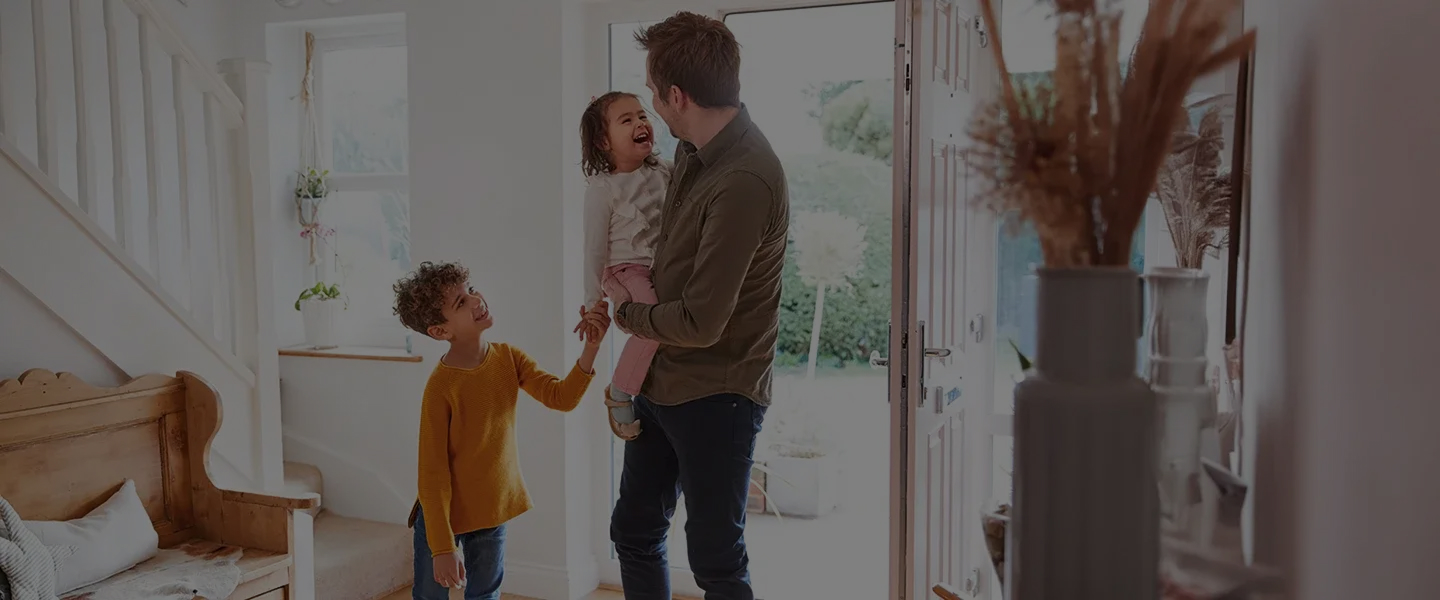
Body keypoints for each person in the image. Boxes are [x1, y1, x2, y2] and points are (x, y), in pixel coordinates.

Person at [607, 12, 790, 600]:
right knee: (634, 530)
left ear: (678, 95)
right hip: (664, 380)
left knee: (714, 560)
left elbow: (701, 321)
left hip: (718, 393)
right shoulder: (691, 149)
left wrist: (626, 317)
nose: (652, 108)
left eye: (655, 95)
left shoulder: (745, 179)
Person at [392, 261, 610, 600]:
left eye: (471, 290)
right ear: (439, 331)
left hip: (491, 510)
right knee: (429, 596)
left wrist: (591, 347)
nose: (476, 300)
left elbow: (561, 398)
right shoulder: (440, 387)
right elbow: (432, 473)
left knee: (485, 595)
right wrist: (442, 548)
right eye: (461, 303)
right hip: (442, 517)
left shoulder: (509, 359)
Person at [578, 91, 674, 441]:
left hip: (657, 265)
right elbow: (592, 249)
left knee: (663, 318)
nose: (640, 123)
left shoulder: (662, 169)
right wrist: (593, 302)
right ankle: (620, 390)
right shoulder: (603, 189)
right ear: (604, 141)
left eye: (642, 115)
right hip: (623, 270)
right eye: (627, 120)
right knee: (650, 320)